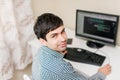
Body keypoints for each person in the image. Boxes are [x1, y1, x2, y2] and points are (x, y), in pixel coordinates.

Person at [32, 13, 111, 80]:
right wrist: (101, 74)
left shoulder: (41, 51)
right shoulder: (62, 68)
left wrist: (59, 54)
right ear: (43, 41)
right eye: (54, 36)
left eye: (62, 31)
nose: (63, 39)